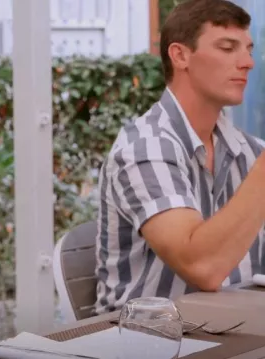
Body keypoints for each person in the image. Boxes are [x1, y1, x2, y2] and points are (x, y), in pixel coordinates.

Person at [94, 0, 265, 315]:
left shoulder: (249, 151)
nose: (247, 63)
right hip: (146, 341)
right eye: (228, 48)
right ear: (180, 55)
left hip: (235, 331)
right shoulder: (144, 146)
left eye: (249, 50)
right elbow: (202, 267)